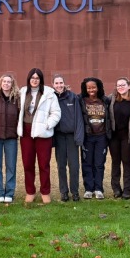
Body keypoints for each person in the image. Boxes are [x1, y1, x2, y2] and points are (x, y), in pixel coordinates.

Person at [18, 68, 61, 204]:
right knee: (28, 164)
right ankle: (30, 191)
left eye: (37, 78)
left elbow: (56, 113)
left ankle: (45, 192)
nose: (35, 80)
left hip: (43, 134)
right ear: (29, 79)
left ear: (41, 80)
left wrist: (47, 125)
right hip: (26, 132)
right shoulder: (22, 92)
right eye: (32, 78)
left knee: (44, 164)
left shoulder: (49, 94)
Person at [0, 73, 20, 203]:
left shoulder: (17, 100)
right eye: (4, 81)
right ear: (0, 83)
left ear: (12, 84)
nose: (6, 84)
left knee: (11, 166)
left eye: (9, 82)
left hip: (11, 137)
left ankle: (10, 192)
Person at [107, 77, 130, 200]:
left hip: (127, 136)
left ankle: (127, 190)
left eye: (123, 85)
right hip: (114, 136)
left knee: (127, 162)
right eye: (118, 85)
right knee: (115, 162)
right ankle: (116, 189)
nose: (120, 87)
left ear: (129, 86)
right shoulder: (111, 99)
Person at [52, 74, 84, 202]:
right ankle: (64, 192)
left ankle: (75, 192)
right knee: (61, 165)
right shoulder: (51, 98)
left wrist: (79, 136)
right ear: (53, 85)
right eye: (56, 83)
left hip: (71, 136)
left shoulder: (72, 97)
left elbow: (78, 118)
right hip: (58, 136)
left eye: (61, 83)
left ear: (64, 84)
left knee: (74, 165)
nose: (59, 85)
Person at [79, 77, 111, 200]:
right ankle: (88, 189)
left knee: (99, 163)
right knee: (87, 163)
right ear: (85, 89)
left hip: (101, 136)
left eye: (93, 87)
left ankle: (98, 189)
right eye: (88, 88)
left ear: (98, 88)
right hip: (87, 137)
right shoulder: (81, 100)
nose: (91, 89)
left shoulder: (105, 101)